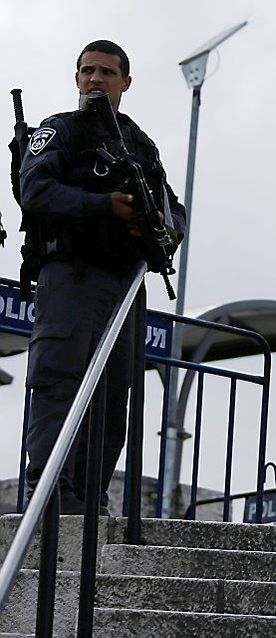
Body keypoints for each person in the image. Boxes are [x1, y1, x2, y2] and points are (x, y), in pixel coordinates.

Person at [19, 40, 186, 514]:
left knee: (114, 398)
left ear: (125, 83)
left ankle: (91, 499)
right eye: (87, 71)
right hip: (71, 276)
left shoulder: (138, 143)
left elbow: (173, 207)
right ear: (77, 79)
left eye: (107, 73)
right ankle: (51, 496)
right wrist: (102, 206)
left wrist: (164, 230)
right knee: (60, 383)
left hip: (124, 283)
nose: (96, 79)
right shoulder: (61, 131)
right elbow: (34, 190)